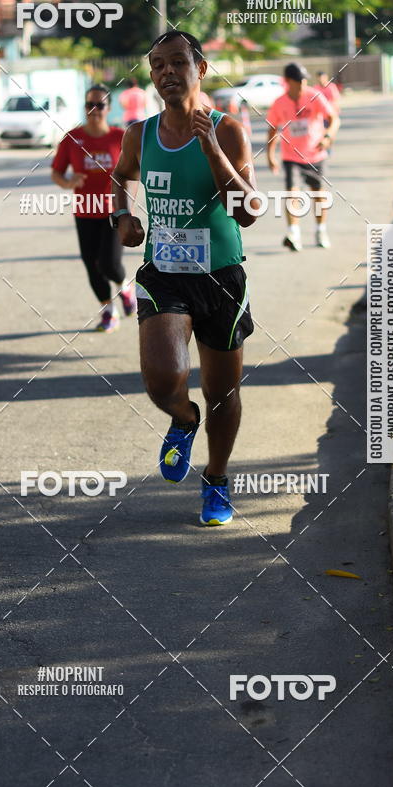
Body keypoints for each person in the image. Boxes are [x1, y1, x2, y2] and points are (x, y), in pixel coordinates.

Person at [111, 30, 260, 526]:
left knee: (223, 392)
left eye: (177, 62)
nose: (167, 73)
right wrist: (123, 217)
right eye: (157, 66)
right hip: (164, 275)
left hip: (220, 277)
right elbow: (121, 175)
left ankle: (216, 481)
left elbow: (250, 212)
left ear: (201, 68)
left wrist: (213, 149)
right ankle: (182, 417)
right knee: (162, 379)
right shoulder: (140, 134)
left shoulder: (231, 130)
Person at [51, 84, 136, 332]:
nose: (95, 110)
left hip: (114, 210)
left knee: (109, 264)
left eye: (100, 105)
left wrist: (127, 205)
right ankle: (109, 312)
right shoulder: (72, 138)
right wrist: (68, 182)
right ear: (85, 107)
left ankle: (125, 288)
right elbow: (56, 172)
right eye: (90, 104)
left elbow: (134, 173)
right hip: (84, 210)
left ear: (109, 108)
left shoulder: (120, 137)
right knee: (92, 265)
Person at [266, 63, 339, 252]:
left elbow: (334, 118)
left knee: (319, 196)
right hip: (291, 156)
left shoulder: (314, 96)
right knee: (292, 195)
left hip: (316, 154)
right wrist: (270, 155)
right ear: (288, 82)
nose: (303, 84)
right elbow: (272, 128)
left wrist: (328, 136)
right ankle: (293, 234)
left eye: (305, 80)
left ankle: (320, 231)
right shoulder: (279, 103)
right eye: (299, 81)